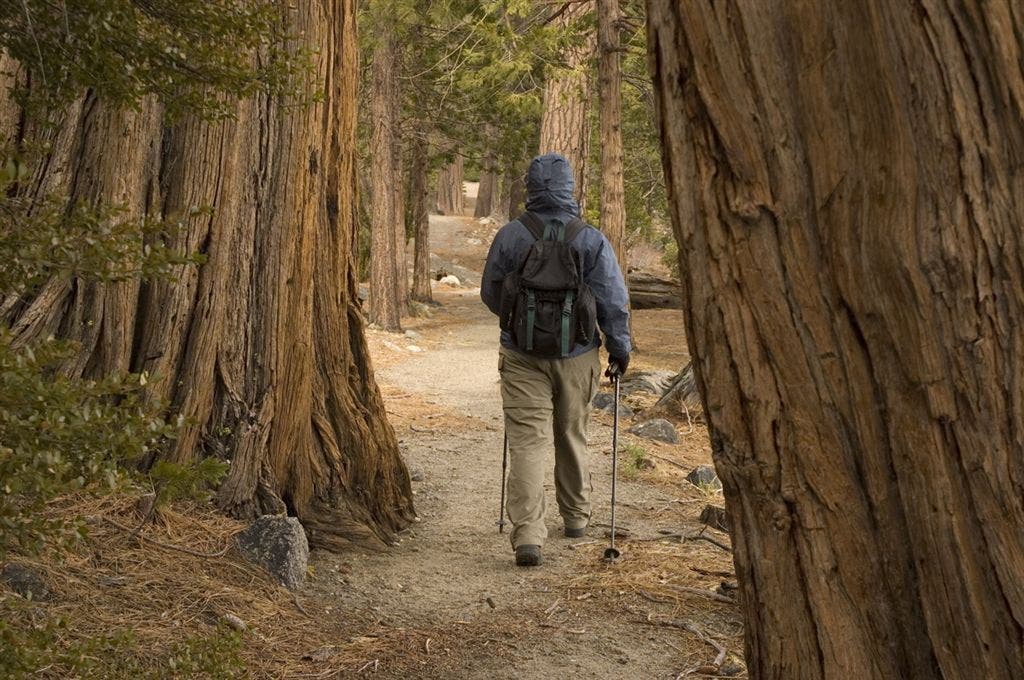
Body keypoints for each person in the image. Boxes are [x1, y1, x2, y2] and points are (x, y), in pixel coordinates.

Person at [481, 152, 632, 567]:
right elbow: (613, 300)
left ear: (530, 187)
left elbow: (491, 294)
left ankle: (529, 536)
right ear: (570, 189)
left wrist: (518, 326)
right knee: (571, 433)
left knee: (528, 442)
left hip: (521, 356)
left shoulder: (512, 235)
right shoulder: (590, 237)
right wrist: (619, 349)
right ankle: (576, 517)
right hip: (578, 354)